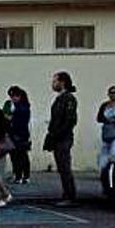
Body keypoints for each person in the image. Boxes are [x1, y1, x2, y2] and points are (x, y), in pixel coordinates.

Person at [43, 71, 79, 207]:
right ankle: (66, 193)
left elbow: (70, 120)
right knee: (61, 167)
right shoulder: (60, 98)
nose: (53, 84)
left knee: (65, 167)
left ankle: (70, 196)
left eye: (55, 81)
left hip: (63, 138)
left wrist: (57, 134)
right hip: (57, 138)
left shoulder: (68, 99)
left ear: (62, 82)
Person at [5, 86, 32, 184]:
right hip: (13, 133)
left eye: (15, 96)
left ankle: (24, 175)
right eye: (11, 96)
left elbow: (20, 120)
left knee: (21, 155)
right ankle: (18, 174)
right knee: (15, 156)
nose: (13, 98)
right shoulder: (10, 105)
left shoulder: (23, 107)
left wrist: (11, 117)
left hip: (21, 134)